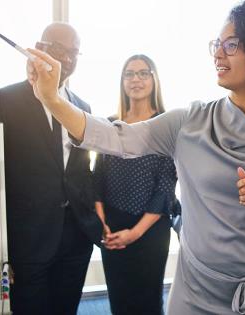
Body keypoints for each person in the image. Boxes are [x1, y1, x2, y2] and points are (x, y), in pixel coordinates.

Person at [26, 0, 245, 313]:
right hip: (196, 293)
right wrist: (53, 100)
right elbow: (113, 136)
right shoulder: (188, 122)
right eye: (216, 45)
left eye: (231, 44)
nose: (218, 53)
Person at [0, 22, 102, 315]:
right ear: (39, 48)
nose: (67, 59)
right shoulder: (6, 100)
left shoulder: (83, 108)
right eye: (59, 49)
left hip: (76, 236)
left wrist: (94, 216)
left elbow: (82, 170)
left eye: (74, 53)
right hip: (30, 238)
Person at [93, 54, 180, 315]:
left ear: (154, 80)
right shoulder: (110, 124)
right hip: (112, 225)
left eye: (143, 73)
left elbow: (166, 186)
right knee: (119, 300)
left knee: (148, 302)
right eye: (129, 74)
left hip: (150, 229)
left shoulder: (167, 125)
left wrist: (135, 233)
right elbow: (98, 176)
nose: (136, 79)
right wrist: (102, 224)